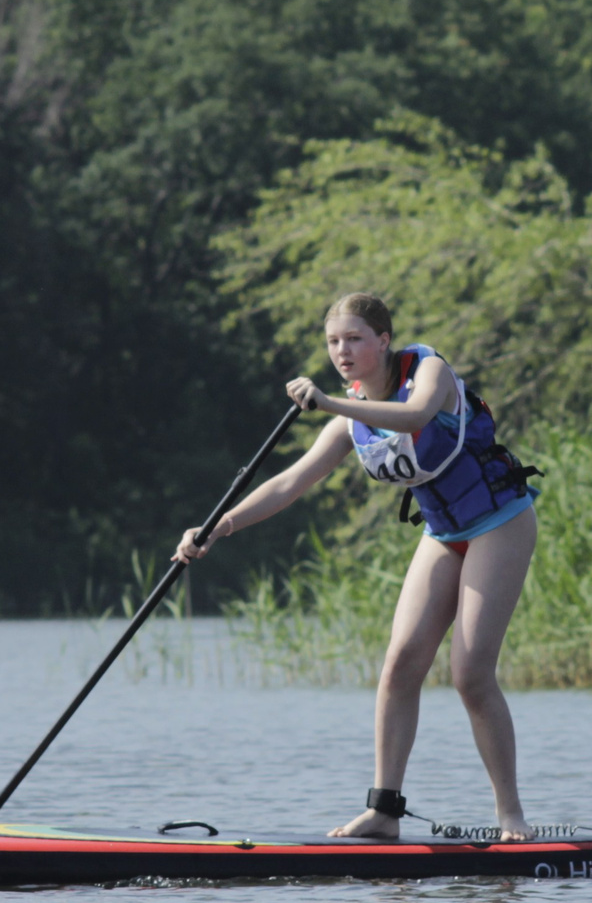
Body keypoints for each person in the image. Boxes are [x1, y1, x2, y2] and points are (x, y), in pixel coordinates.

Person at [173, 293, 541, 841]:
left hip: (499, 522)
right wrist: (215, 528)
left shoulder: (428, 371)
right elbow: (289, 483)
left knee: (469, 674)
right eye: (332, 342)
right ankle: (384, 811)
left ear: (383, 341)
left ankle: (511, 817)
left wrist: (329, 403)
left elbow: (415, 416)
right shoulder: (348, 417)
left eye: (354, 339)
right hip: (444, 534)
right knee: (399, 665)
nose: (341, 351)